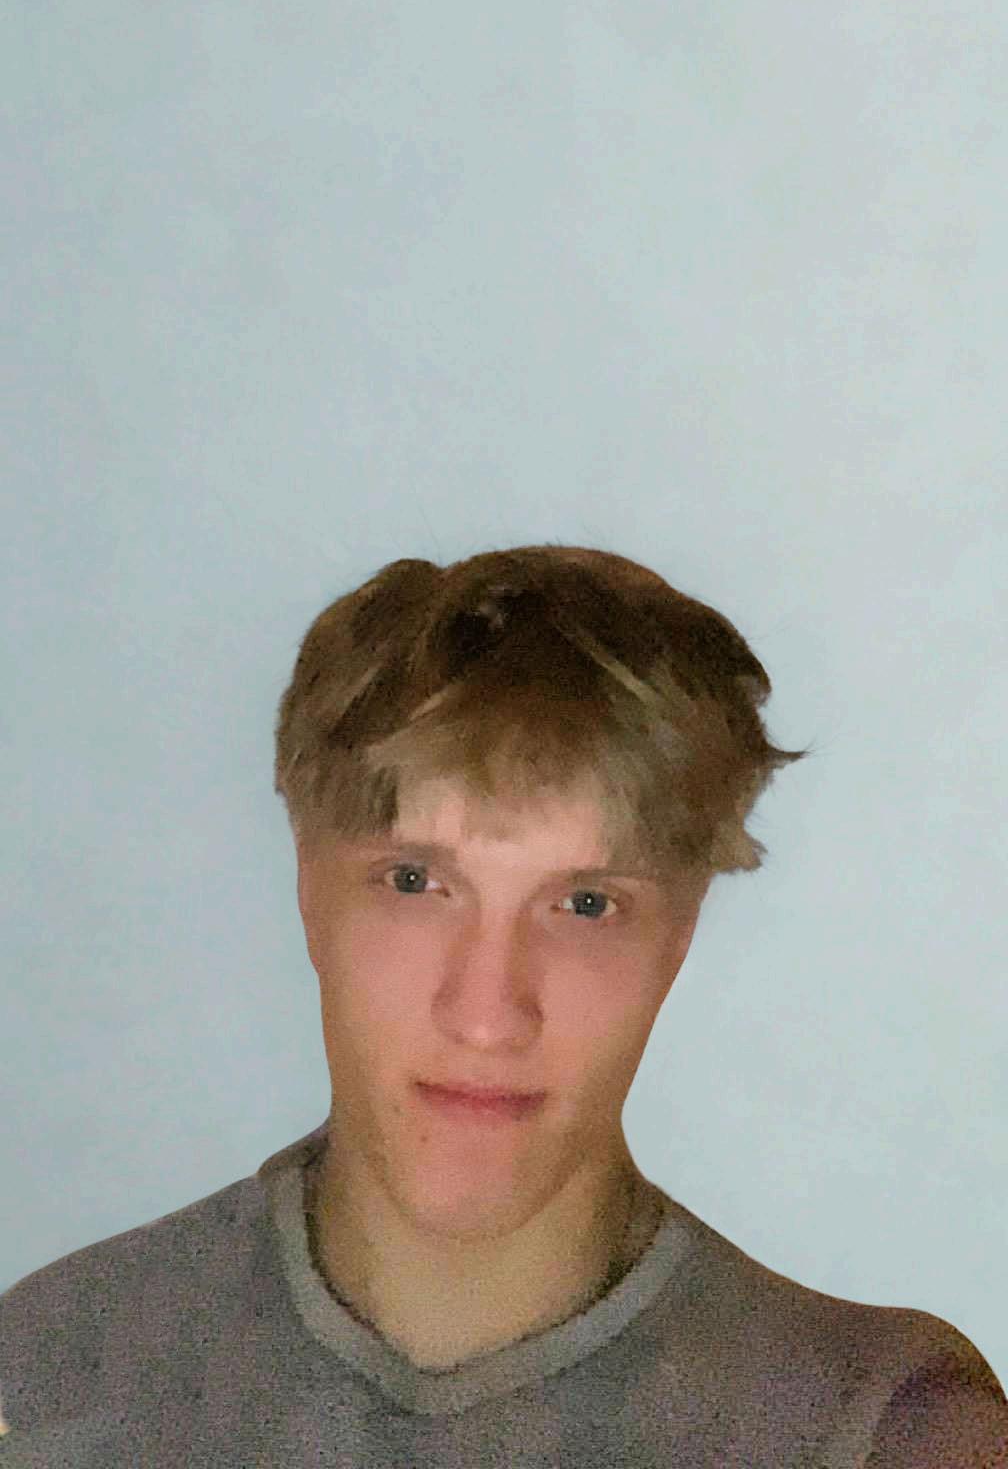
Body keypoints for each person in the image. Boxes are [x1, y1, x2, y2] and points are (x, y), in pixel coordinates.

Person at [1, 543, 1005, 1466]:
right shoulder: (47, 1384)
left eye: (585, 904)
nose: (486, 1016)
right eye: (414, 883)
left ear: (680, 932)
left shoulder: (882, 1434)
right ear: (309, 888)